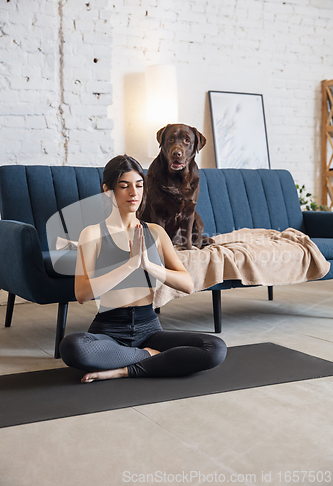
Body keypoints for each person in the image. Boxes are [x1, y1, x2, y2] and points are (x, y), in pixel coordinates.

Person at [59, 155, 227, 382]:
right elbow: (82, 294)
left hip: (149, 329)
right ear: (108, 191)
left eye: (139, 185)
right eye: (124, 186)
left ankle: (125, 369)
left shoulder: (156, 233)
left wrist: (149, 265)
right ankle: (147, 357)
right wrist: (130, 265)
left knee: (215, 347)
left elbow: (187, 285)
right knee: (73, 347)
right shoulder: (93, 234)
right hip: (108, 330)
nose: (134, 193)